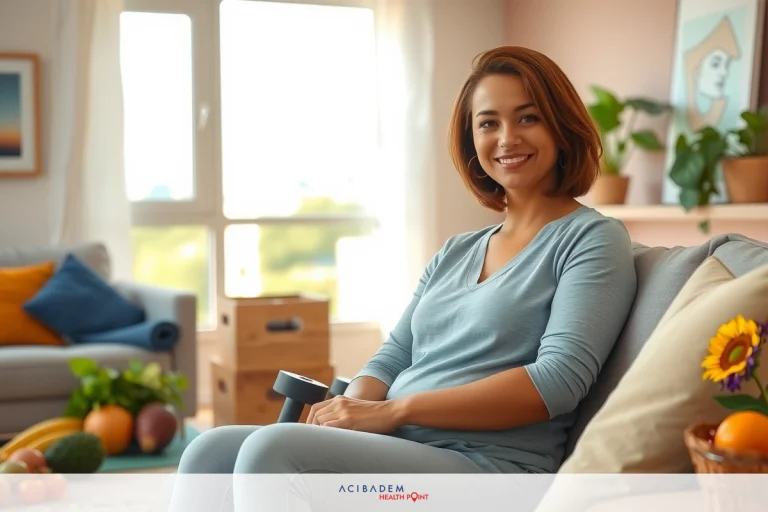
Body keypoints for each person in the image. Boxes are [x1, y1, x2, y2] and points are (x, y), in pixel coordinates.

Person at [174, 45, 637, 484]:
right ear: (472, 140)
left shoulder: (591, 239)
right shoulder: (456, 251)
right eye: (488, 123)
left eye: (528, 117)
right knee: (210, 450)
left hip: (489, 468)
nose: (507, 138)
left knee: (271, 450)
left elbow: (557, 381)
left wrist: (393, 412)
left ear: (561, 125)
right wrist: (346, 413)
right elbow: (394, 355)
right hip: (399, 447)